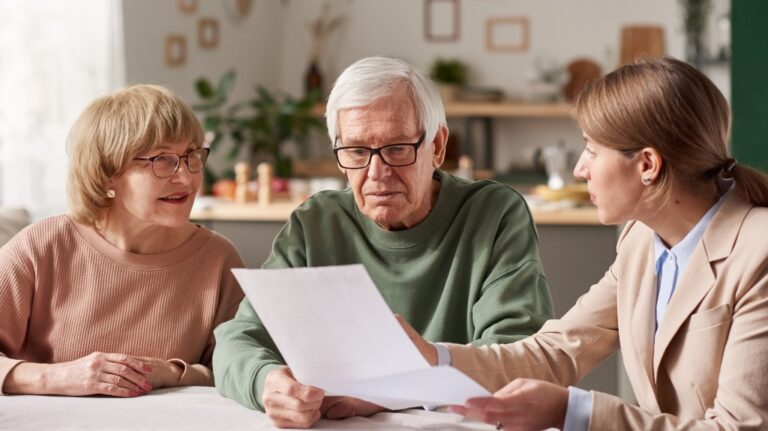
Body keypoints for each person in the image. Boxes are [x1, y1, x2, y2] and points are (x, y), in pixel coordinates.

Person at [402, 57, 768, 430]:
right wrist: (433, 359)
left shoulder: (759, 253)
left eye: (591, 149)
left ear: (647, 165)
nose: (580, 168)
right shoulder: (641, 240)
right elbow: (557, 351)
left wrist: (574, 412)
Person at [213, 56, 554, 428]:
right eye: (357, 152)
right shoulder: (317, 223)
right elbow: (236, 340)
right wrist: (266, 383)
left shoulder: (494, 214)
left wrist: (389, 393)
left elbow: (518, 356)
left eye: (396, 148)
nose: (377, 174)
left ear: (437, 146)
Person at [0, 84, 245, 397]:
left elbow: (240, 369)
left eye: (190, 155)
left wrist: (173, 372)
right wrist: (58, 377)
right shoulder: (42, 247)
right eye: (162, 160)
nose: (186, 177)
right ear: (106, 173)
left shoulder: (218, 258)